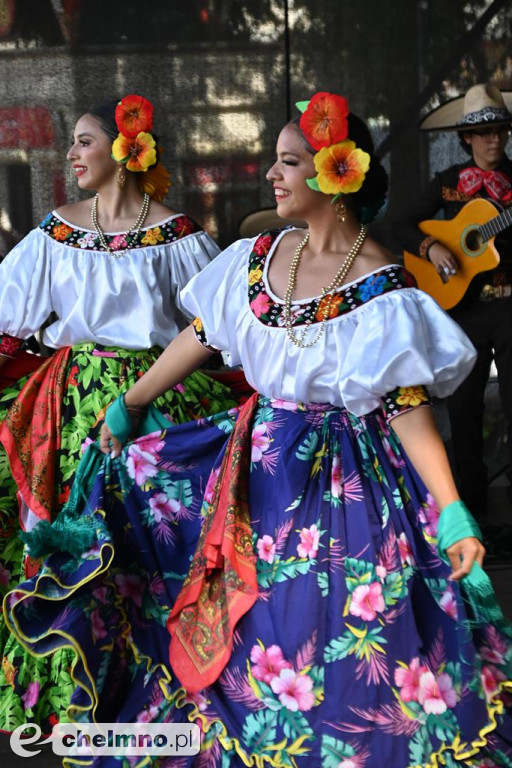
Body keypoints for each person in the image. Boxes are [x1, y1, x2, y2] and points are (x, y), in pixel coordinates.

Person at [6, 91, 512, 767]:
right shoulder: (259, 254)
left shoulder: (382, 283)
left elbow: (407, 404)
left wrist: (452, 511)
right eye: (276, 161)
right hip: (256, 474)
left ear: (336, 174)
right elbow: (202, 333)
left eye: (288, 162)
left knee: (333, 629)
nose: (272, 174)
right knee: (249, 621)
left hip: (345, 488)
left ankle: (332, 741)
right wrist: (131, 402)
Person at [0, 94, 238, 730]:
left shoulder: (179, 235)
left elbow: (219, 323)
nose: (71, 153)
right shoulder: (56, 231)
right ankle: (64, 698)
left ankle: (155, 693)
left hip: (155, 401)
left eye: (83, 141)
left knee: (151, 551)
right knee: (69, 544)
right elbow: (7, 308)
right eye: (72, 142)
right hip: (72, 400)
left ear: (126, 149)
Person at [392, 83, 512, 523]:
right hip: (462, 311)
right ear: (466, 139)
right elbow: (398, 223)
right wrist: (430, 248)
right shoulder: (446, 185)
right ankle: (472, 518)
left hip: (510, 309)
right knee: (464, 414)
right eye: (484, 133)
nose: (493, 139)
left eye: (500, 131)